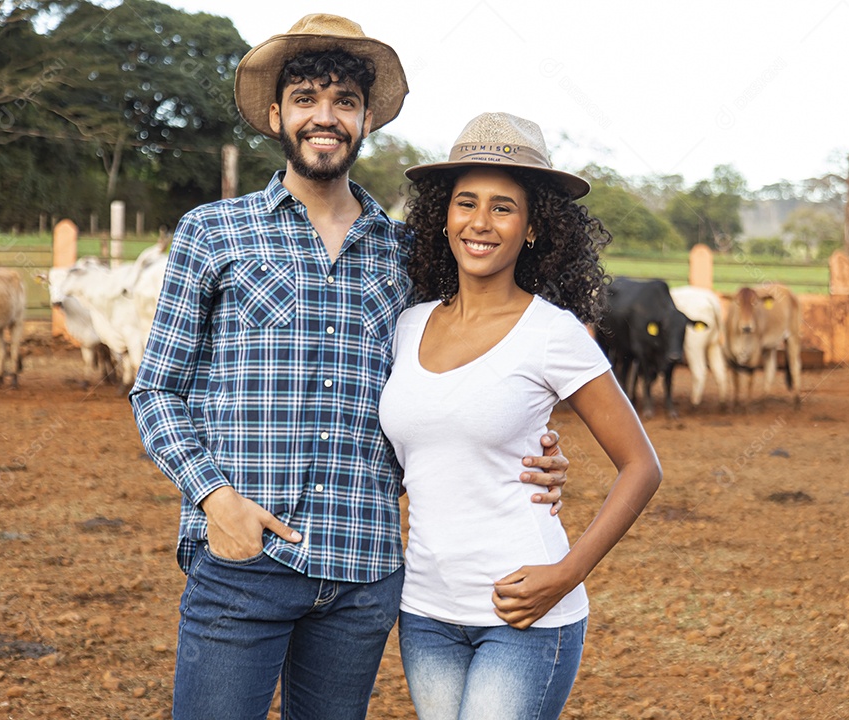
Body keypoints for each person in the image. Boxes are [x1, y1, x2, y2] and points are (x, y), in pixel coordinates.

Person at [129, 16, 569, 720]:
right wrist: (216, 501)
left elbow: (468, 370)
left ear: (367, 120)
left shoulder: (412, 254)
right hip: (244, 559)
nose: (324, 117)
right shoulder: (214, 232)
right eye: (305, 98)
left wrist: (538, 448)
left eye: (343, 102)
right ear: (277, 115)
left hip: (363, 573)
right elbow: (157, 389)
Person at [379, 112, 663, 720]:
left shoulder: (553, 333)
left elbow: (642, 465)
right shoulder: (407, 326)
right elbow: (416, 461)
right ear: (443, 218)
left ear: (533, 228)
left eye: (503, 207)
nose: (480, 223)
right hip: (426, 609)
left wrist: (567, 572)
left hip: (525, 614)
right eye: (466, 203)